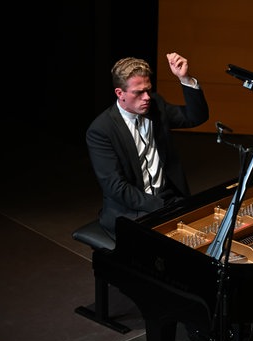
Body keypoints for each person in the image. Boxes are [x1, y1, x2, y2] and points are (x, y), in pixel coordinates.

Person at [86, 52, 209, 240]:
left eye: (148, 90)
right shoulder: (101, 130)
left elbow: (196, 117)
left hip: (169, 199)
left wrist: (184, 78)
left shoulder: (156, 106)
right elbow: (116, 187)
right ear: (120, 94)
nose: (147, 97)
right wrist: (162, 207)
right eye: (138, 92)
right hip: (132, 211)